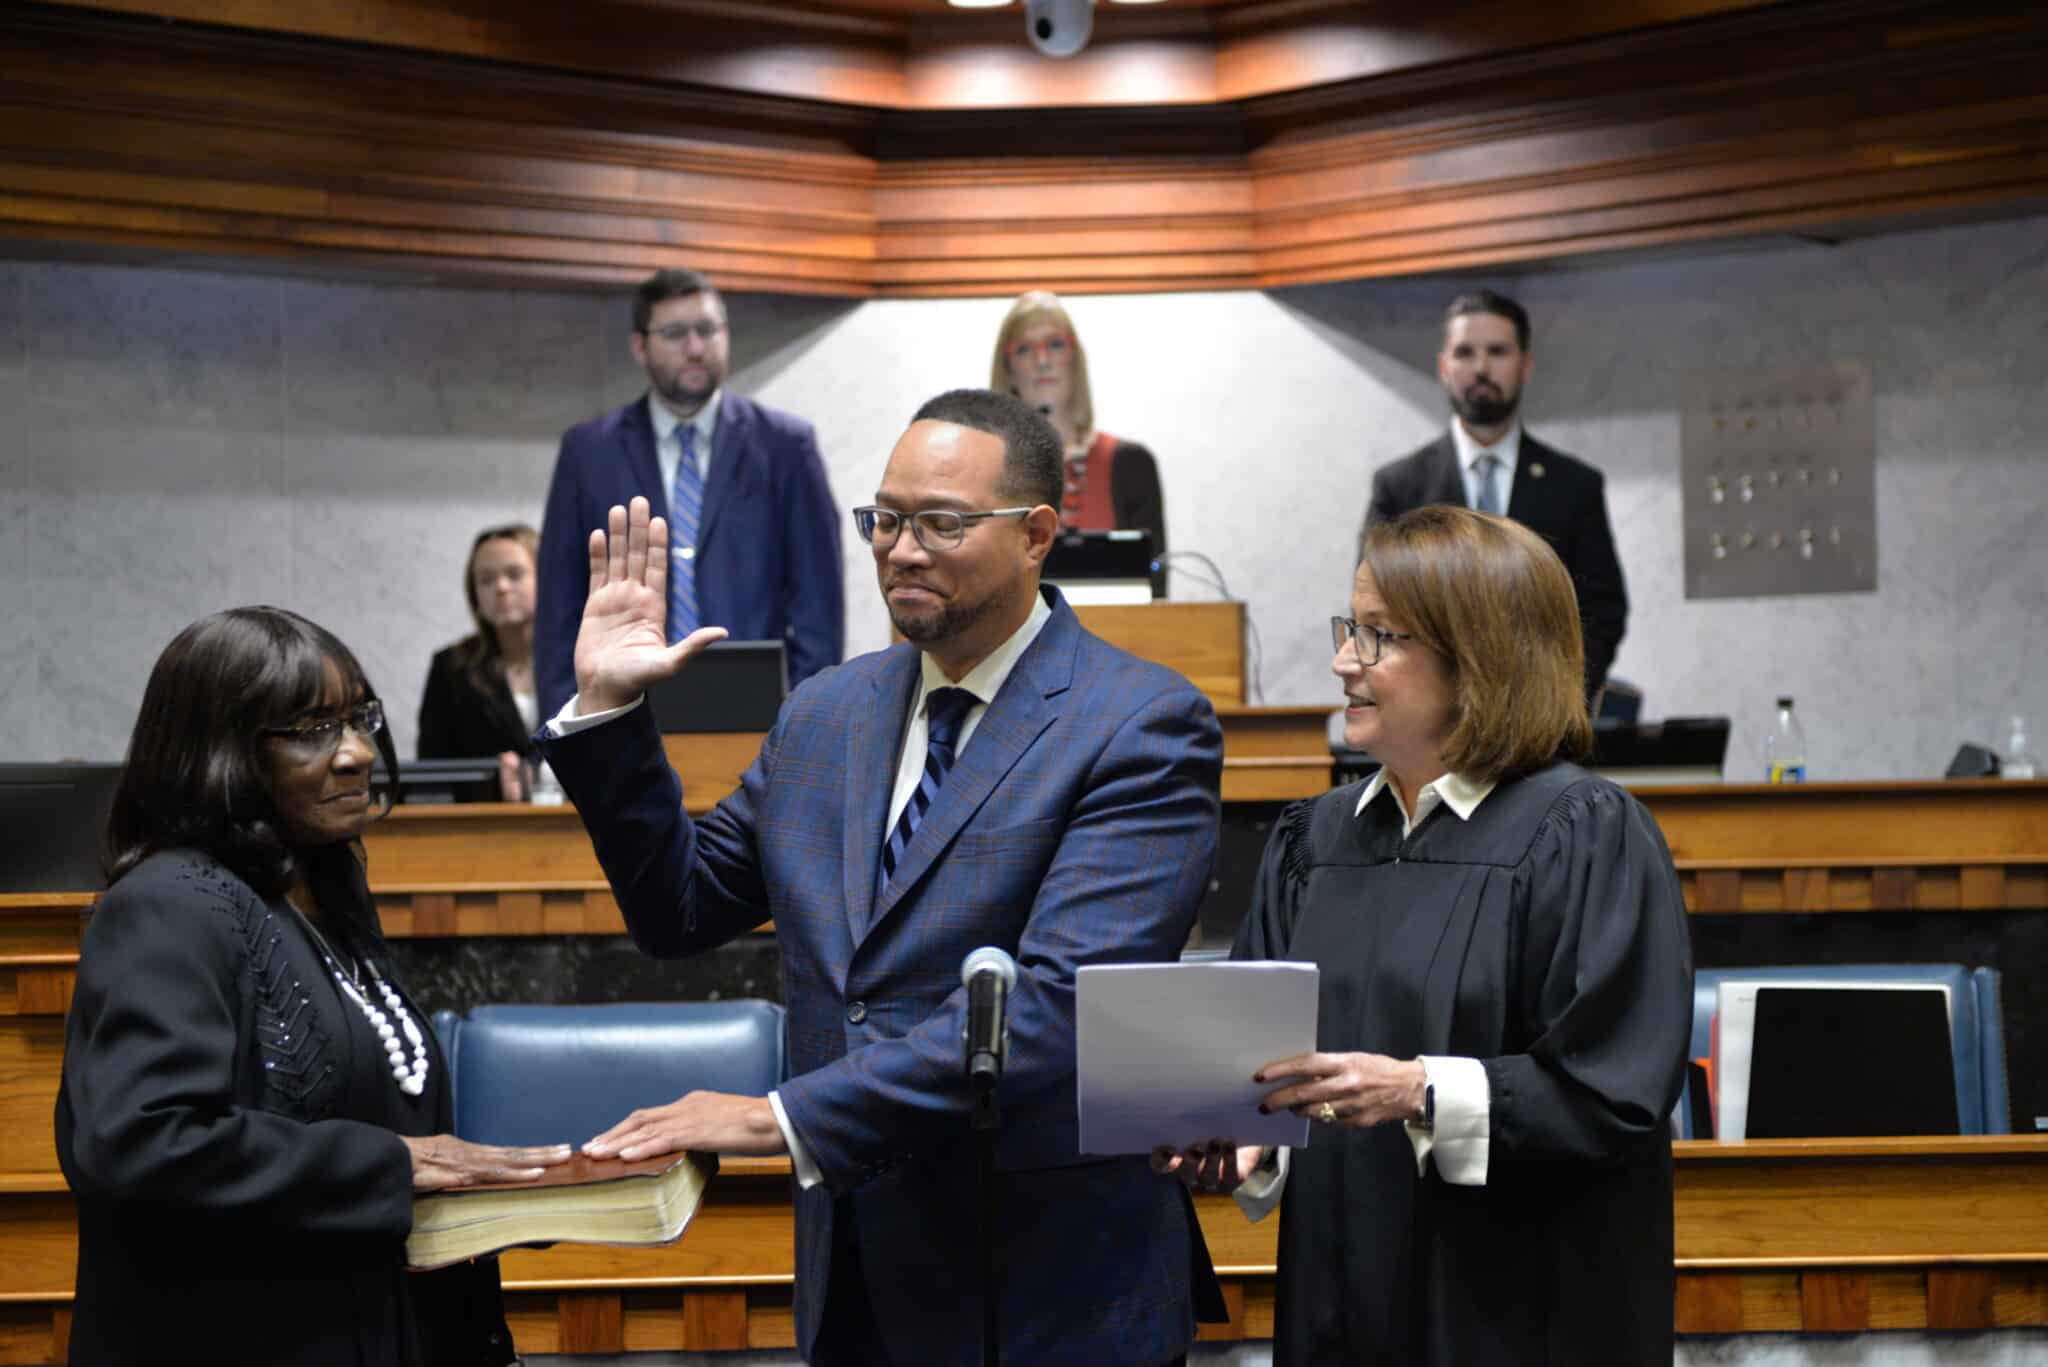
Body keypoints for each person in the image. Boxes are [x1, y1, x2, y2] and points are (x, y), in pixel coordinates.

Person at [536, 389, 1226, 1365]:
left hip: (1045, 1287)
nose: (900, 548)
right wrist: (608, 712)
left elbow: (1054, 1012)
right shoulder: (828, 708)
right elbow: (679, 906)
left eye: (939, 522)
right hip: (854, 1268)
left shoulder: (1140, 721)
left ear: (1034, 533)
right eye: (885, 518)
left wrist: (779, 1114)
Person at [1155, 506, 1692, 1365]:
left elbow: (1615, 1093)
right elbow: (1260, 1061)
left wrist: (1419, 1090)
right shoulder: (1315, 841)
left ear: (1477, 656)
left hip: (1517, 1315)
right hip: (1340, 1305)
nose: (1342, 662)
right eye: (1348, 629)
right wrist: (1240, 1138)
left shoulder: (1584, 833)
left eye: (1378, 637)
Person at [56, 607, 573, 1366]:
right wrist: (395, 1166)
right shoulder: (168, 904)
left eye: (360, 717)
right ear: (218, 750)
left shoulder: (323, 896)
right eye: (311, 730)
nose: (357, 753)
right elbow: (144, 1143)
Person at [535, 266, 844, 718]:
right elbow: (559, 610)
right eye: (675, 333)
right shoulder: (588, 453)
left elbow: (819, 607)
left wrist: (804, 719)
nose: (696, 348)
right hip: (624, 712)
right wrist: (568, 729)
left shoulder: (785, 446)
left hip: (758, 715)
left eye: (707, 330)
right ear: (639, 345)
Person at [1360, 289, 1628, 699]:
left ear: (1525, 365)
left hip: (1543, 724)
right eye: (1465, 353)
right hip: (1429, 723)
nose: (1481, 367)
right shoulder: (1400, 487)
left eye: (1498, 351)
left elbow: (1602, 611)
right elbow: (1374, 608)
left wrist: (1558, 697)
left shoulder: (1574, 486)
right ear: (1443, 366)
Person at [992, 290, 1169, 597]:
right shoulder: (983, 469)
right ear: (1007, 369)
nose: (1042, 361)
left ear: (1074, 359)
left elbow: (1155, 591)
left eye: (1055, 344)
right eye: (1024, 349)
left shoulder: (1130, 463)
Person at [418, 523, 546, 801]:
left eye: (515, 574)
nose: (501, 587)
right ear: (475, 596)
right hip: (485, 826)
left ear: (545, 577)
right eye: (486, 580)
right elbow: (431, 776)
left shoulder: (576, 658)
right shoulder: (452, 667)